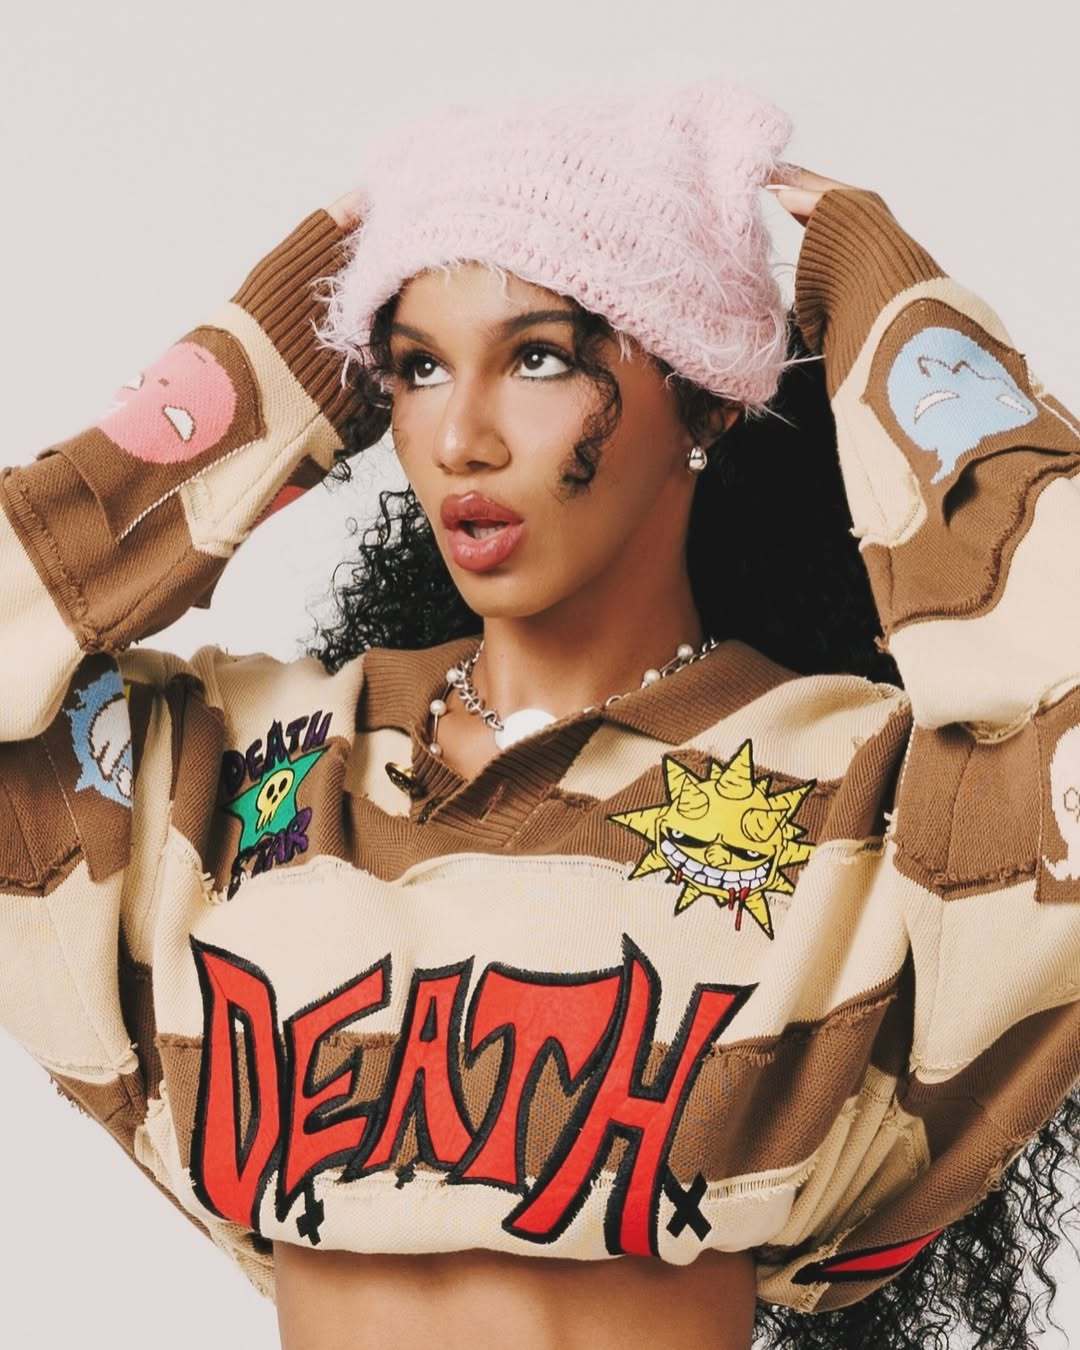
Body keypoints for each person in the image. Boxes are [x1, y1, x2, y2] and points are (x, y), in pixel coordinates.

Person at [0, 76, 1076, 1350]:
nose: (460, 437)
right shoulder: (240, 776)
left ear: (708, 393)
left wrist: (894, 318)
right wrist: (245, 393)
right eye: (414, 367)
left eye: (540, 358)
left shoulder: (857, 798)